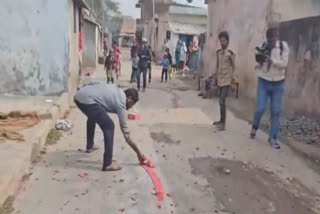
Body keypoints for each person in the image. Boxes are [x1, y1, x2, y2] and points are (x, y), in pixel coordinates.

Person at [74, 83, 146, 171]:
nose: (130, 107)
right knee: (109, 126)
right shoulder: (121, 104)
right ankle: (108, 163)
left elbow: (95, 84)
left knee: (94, 114)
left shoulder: (117, 89)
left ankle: (90, 145)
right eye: (132, 104)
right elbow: (126, 133)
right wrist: (138, 152)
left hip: (79, 96)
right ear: (129, 99)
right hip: (87, 100)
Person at [250, 28, 289, 149]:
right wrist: (261, 60)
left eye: (273, 40)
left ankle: (273, 138)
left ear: (276, 37)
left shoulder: (283, 47)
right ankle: (254, 127)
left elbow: (284, 64)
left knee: (276, 111)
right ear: (267, 39)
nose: (272, 42)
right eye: (270, 40)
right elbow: (258, 62)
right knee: (260, 108)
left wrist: (273, 61)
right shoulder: (262, 46)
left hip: (278, 83)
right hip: (263, 81)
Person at [212, 31, 236, 131]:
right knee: (220, 101)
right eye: (221, 41)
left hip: (227, 80)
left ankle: (223, 124)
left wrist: (233, 81)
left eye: (224, 41)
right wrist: (215, 78)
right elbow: (217, 66)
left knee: (222, 100)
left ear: (227, 41)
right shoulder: (218, 53)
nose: (222, 43)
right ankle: (221, 121)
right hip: (220, 80)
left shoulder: (230, 53)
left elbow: (234, 67)